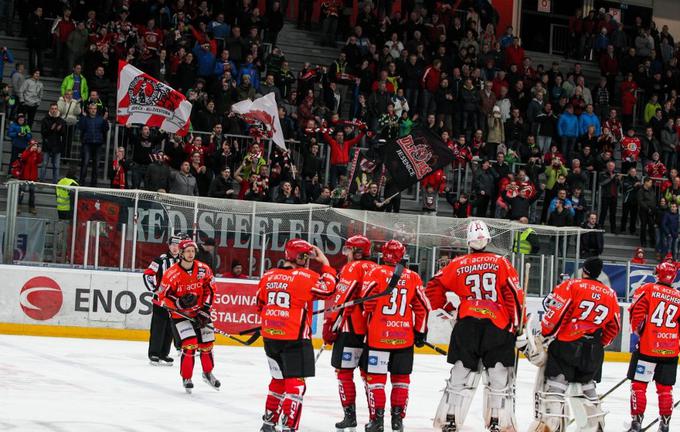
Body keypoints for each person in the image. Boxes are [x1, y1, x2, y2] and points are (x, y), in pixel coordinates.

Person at [427, 220, 524, 432]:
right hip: (496, 325)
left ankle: (450, 419)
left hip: (467, 323)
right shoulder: (501, 263)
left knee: (461, 372)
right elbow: (514, 296)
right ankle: (498, 422)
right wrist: (516, 325)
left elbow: (433, 286)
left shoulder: (457, 263)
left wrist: (447, 308)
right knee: (498, 375)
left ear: (468, 242)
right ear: (488, 239)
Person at [531, 257, 620, 432]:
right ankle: (595, 426)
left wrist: (545, 334)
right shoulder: (610, 294)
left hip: (567, 345)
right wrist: (597, 344)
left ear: (584, 270)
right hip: (593, 350)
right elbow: (614, 327)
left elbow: (557, 313)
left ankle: (553, 426)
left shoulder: (572, 285)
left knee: (555, 387)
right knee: (586, 385)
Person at [257, 239, 336, 432]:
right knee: (296, 384)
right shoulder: (306, 276)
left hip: (270, 337)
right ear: (298, 257)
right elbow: (329, 289)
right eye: (305, 256)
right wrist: (325, 263)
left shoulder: (268, 275)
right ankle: (289, 425)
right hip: (295, 338)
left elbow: (260, 305)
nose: (307, 260)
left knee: (278, 380)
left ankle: (268, 422)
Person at [360, 240, 430, 432]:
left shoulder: (374, 272)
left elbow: (366, 302)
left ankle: (377, 421)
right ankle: (398, 421)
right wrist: (420, 331)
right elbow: (423, 307)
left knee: (376, 380)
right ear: (402, 255)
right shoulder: (413, 277)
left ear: (383, 254)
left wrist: (374, 319)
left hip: (378, 337)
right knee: (401, 380)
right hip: (404, 338)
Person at [322, 235, 377, 432]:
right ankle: (374, 420)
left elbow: (342, 298)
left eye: (349, 250)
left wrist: (330, 323)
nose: (346, 254)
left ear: (358, 252)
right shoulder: (377, 268)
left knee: (344, 372)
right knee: (370, 376)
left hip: (351, 329)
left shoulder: (353, 268)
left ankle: (349, 417)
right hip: (372, 331)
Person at [157, 238, 221, 392]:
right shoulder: (171, 274)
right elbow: (162, 296)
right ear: (181, 253)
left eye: (193, 251)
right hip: (181, 316)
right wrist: (179, 303)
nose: (191, 254)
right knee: (190, 344)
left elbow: (211, 289)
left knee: (207, 345)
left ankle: (207, 373)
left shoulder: (203, 269)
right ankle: (187, 377)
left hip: (200, 313)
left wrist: (205, 310)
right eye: (187, 251)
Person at [626, 262, 680, 432]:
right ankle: (664, 424)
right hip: (670, 350)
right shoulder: (679, 296)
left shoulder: (648, 289)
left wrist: (640, 333)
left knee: (639, 385)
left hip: (647, 349)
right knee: (665, 390)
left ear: (658, 274)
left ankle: (636, 422)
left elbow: (636, 314)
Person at [143, 233, 186, 366]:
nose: (175, 248)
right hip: (161, 300)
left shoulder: (182, 261)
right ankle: (154, 353)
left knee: (170, 327)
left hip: (175, 301)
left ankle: (164, 353)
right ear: (168, 246)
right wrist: (154, 290)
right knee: (158, 326)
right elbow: (147, 275)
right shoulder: (160, 260)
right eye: (172, 245)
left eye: (177, 246)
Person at [77, 103, 109, 186]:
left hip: (98, 144)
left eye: (94, 108)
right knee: (85, 163)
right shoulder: (85, 118)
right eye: (91, 108)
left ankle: (93, 185)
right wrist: (83, 117)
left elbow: (106, 129)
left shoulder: (100, 119)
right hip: (87, 143)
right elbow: (81, 127)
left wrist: (105, 120)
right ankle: (81, 183)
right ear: (89, 109)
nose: (93, 110)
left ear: (96, 109)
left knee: (96, 165)